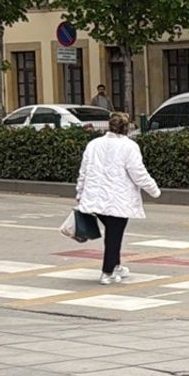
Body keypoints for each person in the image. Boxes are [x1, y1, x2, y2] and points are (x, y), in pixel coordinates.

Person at [75, 112, 160, 285]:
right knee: (114, 235)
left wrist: (80, 192)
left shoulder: (93, 144)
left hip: (95, 198)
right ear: (127, 128)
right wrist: (154, 191)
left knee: (113, 233)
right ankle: (107, 272)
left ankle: (116, 266)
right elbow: (138, 173)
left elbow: (84, 171)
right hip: (119, 199)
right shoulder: (129, 146)